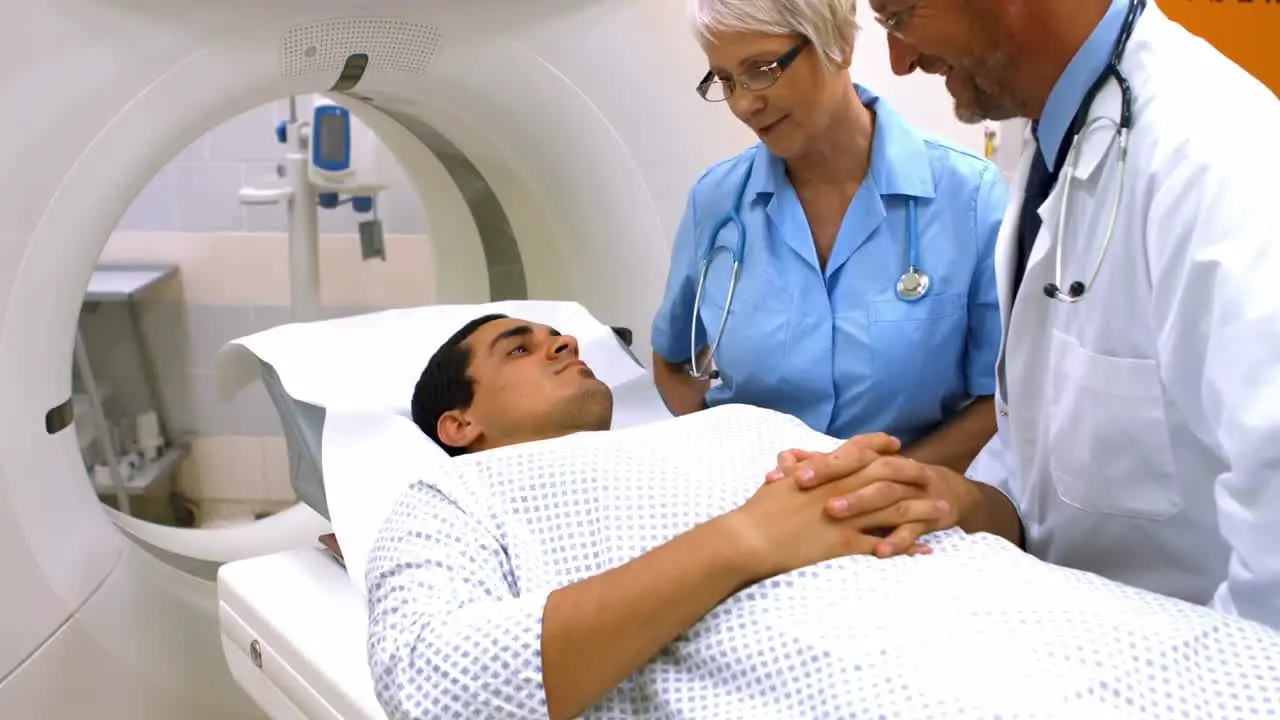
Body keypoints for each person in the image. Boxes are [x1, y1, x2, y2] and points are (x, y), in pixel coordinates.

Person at [368, 313, 1280, 720]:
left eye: (553, 330)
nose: (561, 340)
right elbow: (436, 684)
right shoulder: (453, 499)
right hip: (857, 668)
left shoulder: (742, 424)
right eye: (516, 348)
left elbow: (990, 523)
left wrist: (959, 498)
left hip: (1038, 615)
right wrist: (741, 543)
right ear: (462, 423)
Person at [767, 0, 1280, 630]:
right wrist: (959, 497)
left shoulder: (1220, 163)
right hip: (1068, 627)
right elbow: (1044, 462)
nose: (899, 62)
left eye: (898, 16)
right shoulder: (1060, 142)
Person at [649, 0, 1008, 475]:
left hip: (905, 501)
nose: (743, 103)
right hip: (753, 502)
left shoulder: (970, 197)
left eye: (762, 70)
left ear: (837, 45)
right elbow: (672, 360)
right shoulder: (716, 202)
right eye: (726, 80)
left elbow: (999, 399)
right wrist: (722, 463)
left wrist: (879, 483)